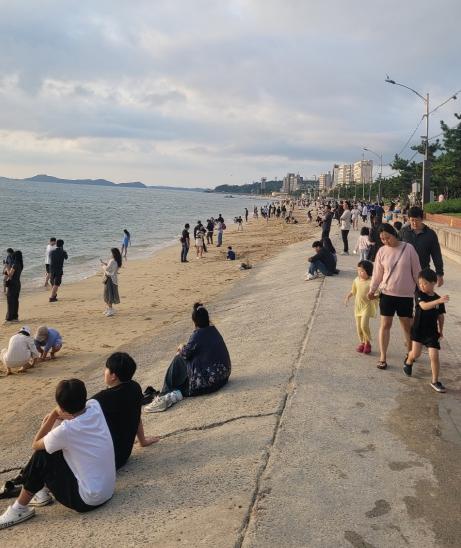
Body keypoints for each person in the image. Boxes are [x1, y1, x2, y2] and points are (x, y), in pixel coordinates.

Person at [0, 379, 115, 529]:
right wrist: (59, 417)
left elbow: (36, 444)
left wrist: (54, 415)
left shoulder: (67, 430)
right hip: (107, 490)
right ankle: (39, 490)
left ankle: (19, 508)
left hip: (87, 500)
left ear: (61, 406)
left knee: (42, 455)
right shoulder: (95, 406)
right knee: (53, 443)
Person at [145, 303, 231, 413]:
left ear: (194, 322)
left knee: (178, 359)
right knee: (188, 357)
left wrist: (181, 347)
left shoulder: (197, 335)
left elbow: (185, 354)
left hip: (211, 383)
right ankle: (171, 391)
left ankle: (164, 395)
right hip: (223, 376)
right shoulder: (213, 330)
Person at [91, 352, 159, 469]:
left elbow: (74, 414)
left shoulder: (100, 399)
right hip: (123, 455)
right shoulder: (135, 387)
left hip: (104, 462)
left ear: (113, 376)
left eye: (107, 369)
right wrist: (143, 441)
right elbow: (136, 415)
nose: (104, 371)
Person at [368, 224, 421, 370]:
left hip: (405, 295)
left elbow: (417, 272)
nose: (385, 241)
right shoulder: (381, 251)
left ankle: (410, 354)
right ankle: (383, 357)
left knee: (406, 326)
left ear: (394, 234)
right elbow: (377, 274)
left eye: (388, 237)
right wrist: (372, 290)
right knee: (385, 325)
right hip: (387, 294)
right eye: (382, 239)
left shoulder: (409, 249)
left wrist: (422, 291)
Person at [403, 269, 448, 393]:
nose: (422, 285)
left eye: (425, 283)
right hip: (418, 330)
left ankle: (435, 381)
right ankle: (409, 360)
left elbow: (441, 316)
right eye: (420, 283)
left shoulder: (438, 299)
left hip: (432, 333)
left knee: (434, 356)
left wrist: (441, 330)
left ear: (433, 283)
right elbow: (424, 306)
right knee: (416, 354)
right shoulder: (419, 294)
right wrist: (438, 301)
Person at [401, 206, 444, 286]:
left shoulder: (430, 234)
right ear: (408, 219)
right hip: (405, 272)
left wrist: (439, 273)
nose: (414, 223)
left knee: (422, 293)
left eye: (417, 220)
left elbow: (436, 254)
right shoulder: (403, 232)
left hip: (423, 272)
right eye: (412, 220)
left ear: (422, 219)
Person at [344, 261, 377, 354]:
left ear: (368, 271)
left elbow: (377, 293)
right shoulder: (356, 280)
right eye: (358, 270)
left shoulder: (371, 282)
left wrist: (374, 296)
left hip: (367, 306)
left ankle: (368, 343)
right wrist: (348, 296)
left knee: (364, 325)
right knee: (358, 327)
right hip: (358, 306)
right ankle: (362, 342)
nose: (359, 272)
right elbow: (353, 290)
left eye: (362, 271)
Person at [101, 248, 122, 316]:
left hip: (109, 279)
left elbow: (107, 269)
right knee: (110, 294)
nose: (111, 254)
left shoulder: (112, 260)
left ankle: (110, 310)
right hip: (113, 279)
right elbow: (112, 268)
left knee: (108, 295)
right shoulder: (117, 260)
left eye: (111, 253)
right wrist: (106, 264)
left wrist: (103, 266)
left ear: (113, 254)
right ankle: (109, 309)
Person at [4, 250, 23, 322]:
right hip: (17, 283)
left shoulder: (15, 264)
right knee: (15, 301)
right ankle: (15, 317)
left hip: (12, 284)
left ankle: (9, 318)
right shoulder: (20, 264)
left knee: (10, 301)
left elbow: (10, 275)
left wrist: (7, 267)